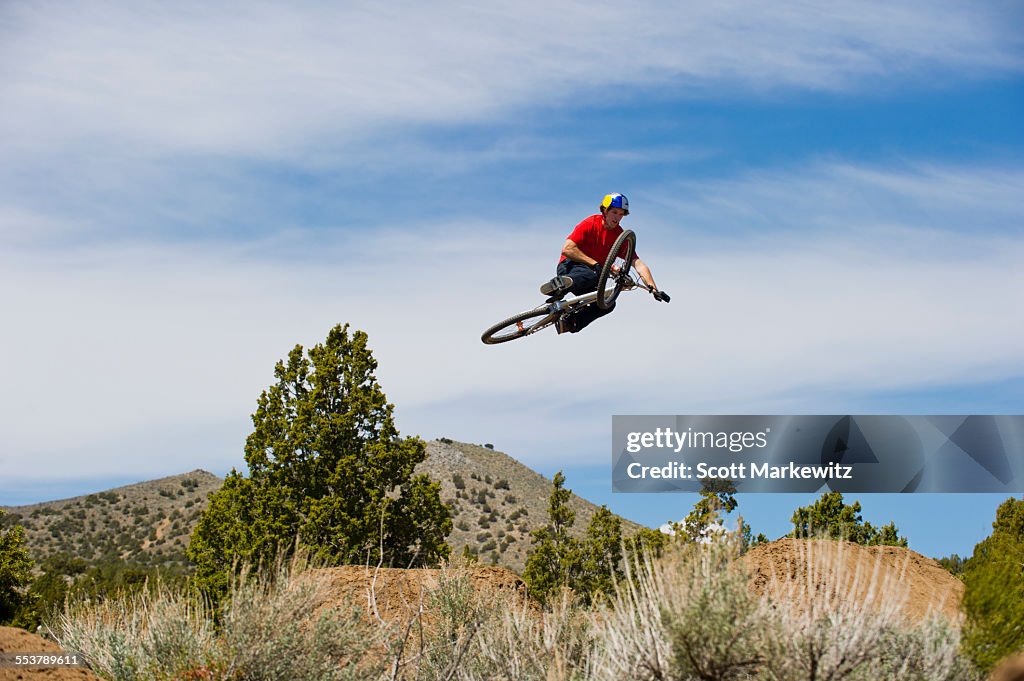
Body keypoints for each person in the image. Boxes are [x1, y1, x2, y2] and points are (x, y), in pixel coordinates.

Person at [540, 192, 661, 333]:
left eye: (621, 214)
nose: (617, 217)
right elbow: (568, 249)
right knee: (593, 273)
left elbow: (638, 263)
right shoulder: (590, 223)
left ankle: (570, 322)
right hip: (570, 267)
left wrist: (653, 288)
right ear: (604, 210)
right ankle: (559, 285)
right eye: (614, 212)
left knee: (607, 303)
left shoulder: (619, 237)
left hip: (591, 276)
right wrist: (595, 264)